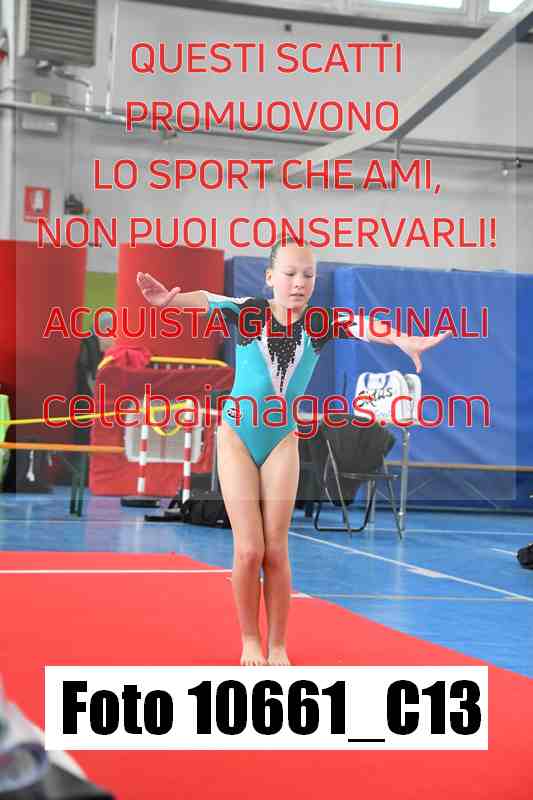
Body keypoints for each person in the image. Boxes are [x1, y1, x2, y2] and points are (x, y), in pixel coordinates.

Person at [136, 241, 450, 666]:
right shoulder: (249, 312)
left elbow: (362, 324)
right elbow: (210, 300)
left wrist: (401, 339)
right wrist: (169, 301)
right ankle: (250, 638)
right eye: (289, 274)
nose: (299, 282)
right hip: (237, 437)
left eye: (307, 275)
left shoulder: (320, 324)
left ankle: (279, 643)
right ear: (269, 277)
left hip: (282, 439)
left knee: (276, 550)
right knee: (249, 550)